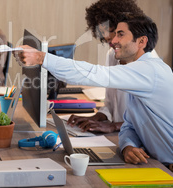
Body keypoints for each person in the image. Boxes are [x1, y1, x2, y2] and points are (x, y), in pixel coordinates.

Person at [15, 13, 173, 166]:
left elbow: (94, 74)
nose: (114, 40)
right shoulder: (137, 75)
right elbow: (129, 126)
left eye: (121, 34)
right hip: (156, 163)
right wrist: (128, 146)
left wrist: (42, 58)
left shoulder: (151, 71)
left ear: (141, 41)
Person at [67, 0, 157, 133]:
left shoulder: (149, 63)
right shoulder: (112, 55)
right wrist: (95, 118)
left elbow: (150, 120)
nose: (108, 39)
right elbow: (110, 105)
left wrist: (113, 126)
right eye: (103, 33)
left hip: (140, 141)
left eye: (112, 32)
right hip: (121, 136)